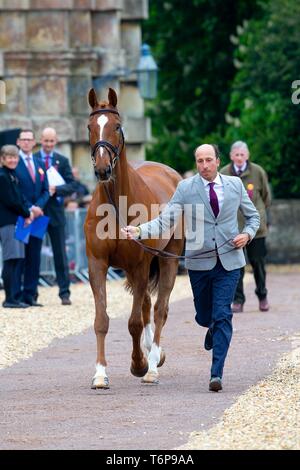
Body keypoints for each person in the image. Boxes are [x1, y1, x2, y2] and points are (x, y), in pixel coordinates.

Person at [121, 144, 260, 392]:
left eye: (208, 160)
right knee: (204, 316)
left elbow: (254, 217)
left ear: (218, 161)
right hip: (199, 262)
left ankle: (216, 373)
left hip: (230, 261)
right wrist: (140, 230)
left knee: (222, 314)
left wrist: (247, 234)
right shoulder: (186, 188)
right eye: (199, 161)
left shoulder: (235, 185)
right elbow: (167, 220)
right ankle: (212, 327)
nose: (204, 165)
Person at [220, 141, 271, 313]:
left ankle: (262, 295)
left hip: (256, 230)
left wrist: (259, 216)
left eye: (243, 155)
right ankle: (238, 300)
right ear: (231, 156)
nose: (240, 158)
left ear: (247, 156)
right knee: (236, 267)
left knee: (258, 264)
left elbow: (266, 197)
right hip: (233, 230)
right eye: (237, 155)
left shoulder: (258, 172)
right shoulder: (224, 173)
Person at [34, 127, 77, 305]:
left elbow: (72, 185)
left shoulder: (63, 160)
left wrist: (56, 189)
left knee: (60, 253)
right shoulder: (33, 159)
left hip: (56, 214)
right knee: (34, 253)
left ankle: (64, 293)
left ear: (56, 141)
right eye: (46, 141)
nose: (49, 144)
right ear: (40, 140)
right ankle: (31, 293)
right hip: (37, 213)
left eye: (52, 141)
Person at [15, 129, 49, 307]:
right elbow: (15, 191)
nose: (27, 142)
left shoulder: (39, 163)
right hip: (21, 217)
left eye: (30, 139)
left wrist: (38, 207)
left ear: (34, 142)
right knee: (19, 256)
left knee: (34, 256)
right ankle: (17, 295)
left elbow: (46, 190)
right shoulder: (13, 163)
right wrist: (30, 208)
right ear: (18, 142)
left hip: (37, 219)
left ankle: (30, 295)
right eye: (24, 139)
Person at [0, 145, 33, 308]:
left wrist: (26, 212)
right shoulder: (2, 176)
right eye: (9, 157)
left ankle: (14, 296)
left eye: (15, 157)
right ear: (2, 159)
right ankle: (9, 299)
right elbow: (12, 201)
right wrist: (27, 214)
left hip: (16, 221)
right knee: (10, 259)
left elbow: (19, 198)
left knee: (16, 259)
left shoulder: (11, 175)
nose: (13, 160)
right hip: (7, 222)